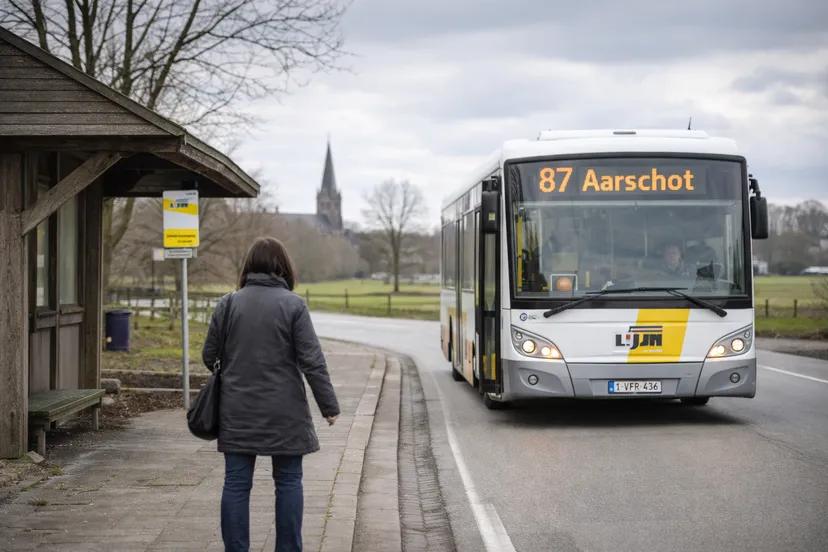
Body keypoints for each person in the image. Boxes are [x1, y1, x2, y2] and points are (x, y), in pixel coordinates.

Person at [201, 237, 340, 552]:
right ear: (283, 267)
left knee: (236, 485)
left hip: (236, 410)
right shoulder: (293, 305)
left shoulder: (228, 303)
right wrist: (328, 406)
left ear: (249, 267)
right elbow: (312, 361)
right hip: (286, 412)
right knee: (289, 483)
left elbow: (210, 356)